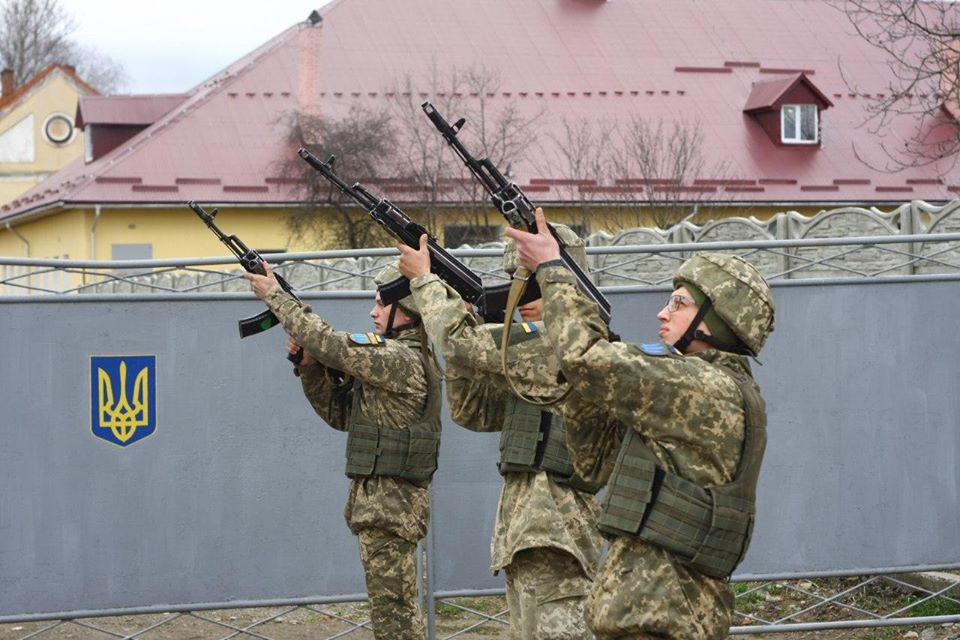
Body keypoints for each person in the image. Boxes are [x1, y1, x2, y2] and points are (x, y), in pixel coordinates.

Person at [505, 208, 776, 640]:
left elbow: (583, 356)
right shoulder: (708, 387)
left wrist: (554, 271)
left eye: (679, 304)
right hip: (658, 612)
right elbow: (594, 466)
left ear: (715, 320)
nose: (662, 314)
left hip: (662, 615)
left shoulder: (701, 384)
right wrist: (592, 387)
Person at [397, 228, 605, 640]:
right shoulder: (530, 346)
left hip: (556, 531)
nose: (517, 291)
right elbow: (475, 412)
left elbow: (460, 344)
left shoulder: (565, 341)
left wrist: (425, 280)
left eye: (527, 278)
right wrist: (468, 351)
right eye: (514, 279)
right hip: (525, 531)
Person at [246, 261, 442, 640]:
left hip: (391, 509)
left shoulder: (399, 359)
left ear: (408, 312)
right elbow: (342, 416)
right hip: (383, 508)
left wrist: (276, 296)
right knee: (392, 615)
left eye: (381, 305)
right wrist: (310, 368)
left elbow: (331, 344)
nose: (373, 312)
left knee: (395, 620)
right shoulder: (392, 361)